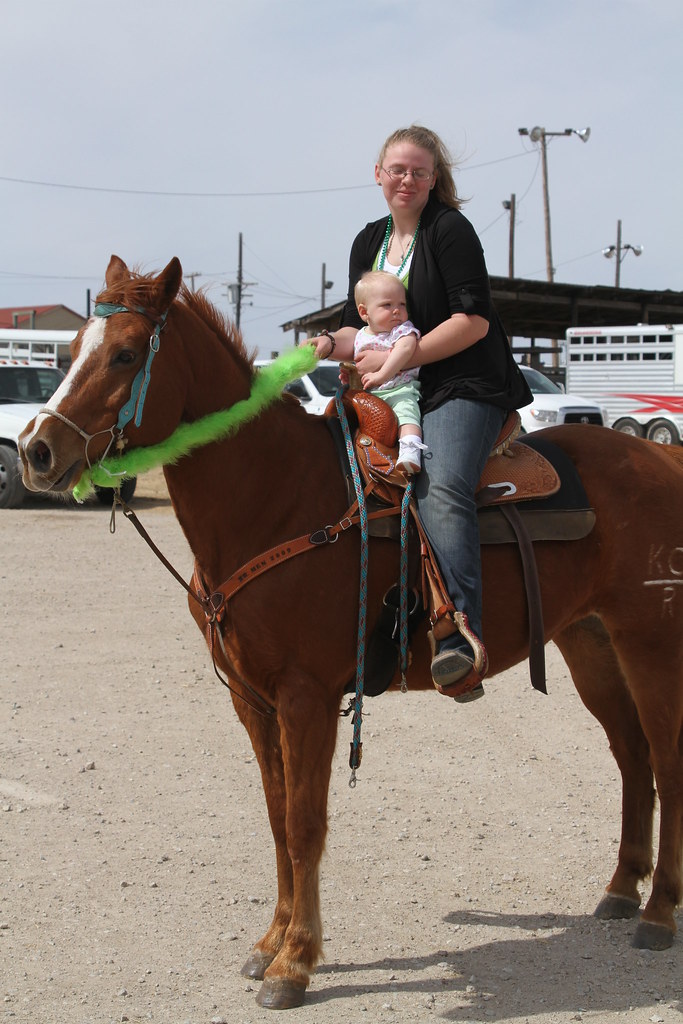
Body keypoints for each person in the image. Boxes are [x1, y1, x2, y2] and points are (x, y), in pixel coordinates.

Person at [312, 124, 532, 702]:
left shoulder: (450, 230)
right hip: (388, 387)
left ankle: (458, 634)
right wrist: (329, 345)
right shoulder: (369, 240)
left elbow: (474, 321)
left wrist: (403, 357)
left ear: (434, 180)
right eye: (397, 170)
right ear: (378, 175)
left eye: (418, 171)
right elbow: (358, 323)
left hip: (464, 381)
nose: (406, 179)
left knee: (439, 484)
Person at [353, 269, 426, 473]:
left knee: (407, 412)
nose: (397, 310)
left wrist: (381, 375)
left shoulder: (402, 331)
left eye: (401, 304)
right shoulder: (360, 335)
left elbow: (405, 349)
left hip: (398, 389)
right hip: (369, 395)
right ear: (364, 312)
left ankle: (410, 450)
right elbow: (358, 363)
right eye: (387, 305)